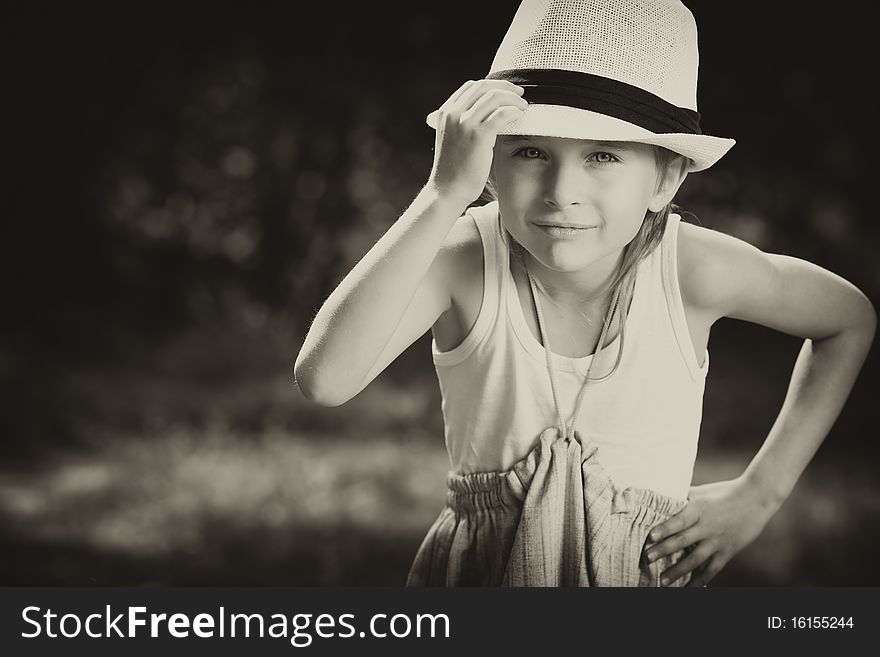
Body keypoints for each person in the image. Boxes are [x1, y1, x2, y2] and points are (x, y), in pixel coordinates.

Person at [293, 0, 876, 586]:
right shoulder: (464, 259)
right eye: (530, 151)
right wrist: (443, 195)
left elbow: (847, 319)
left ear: (665, 179)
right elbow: (326, 380)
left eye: (602, 156)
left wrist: (761, 494)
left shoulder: (693, 270)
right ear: (489, 165)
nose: (560, 191)